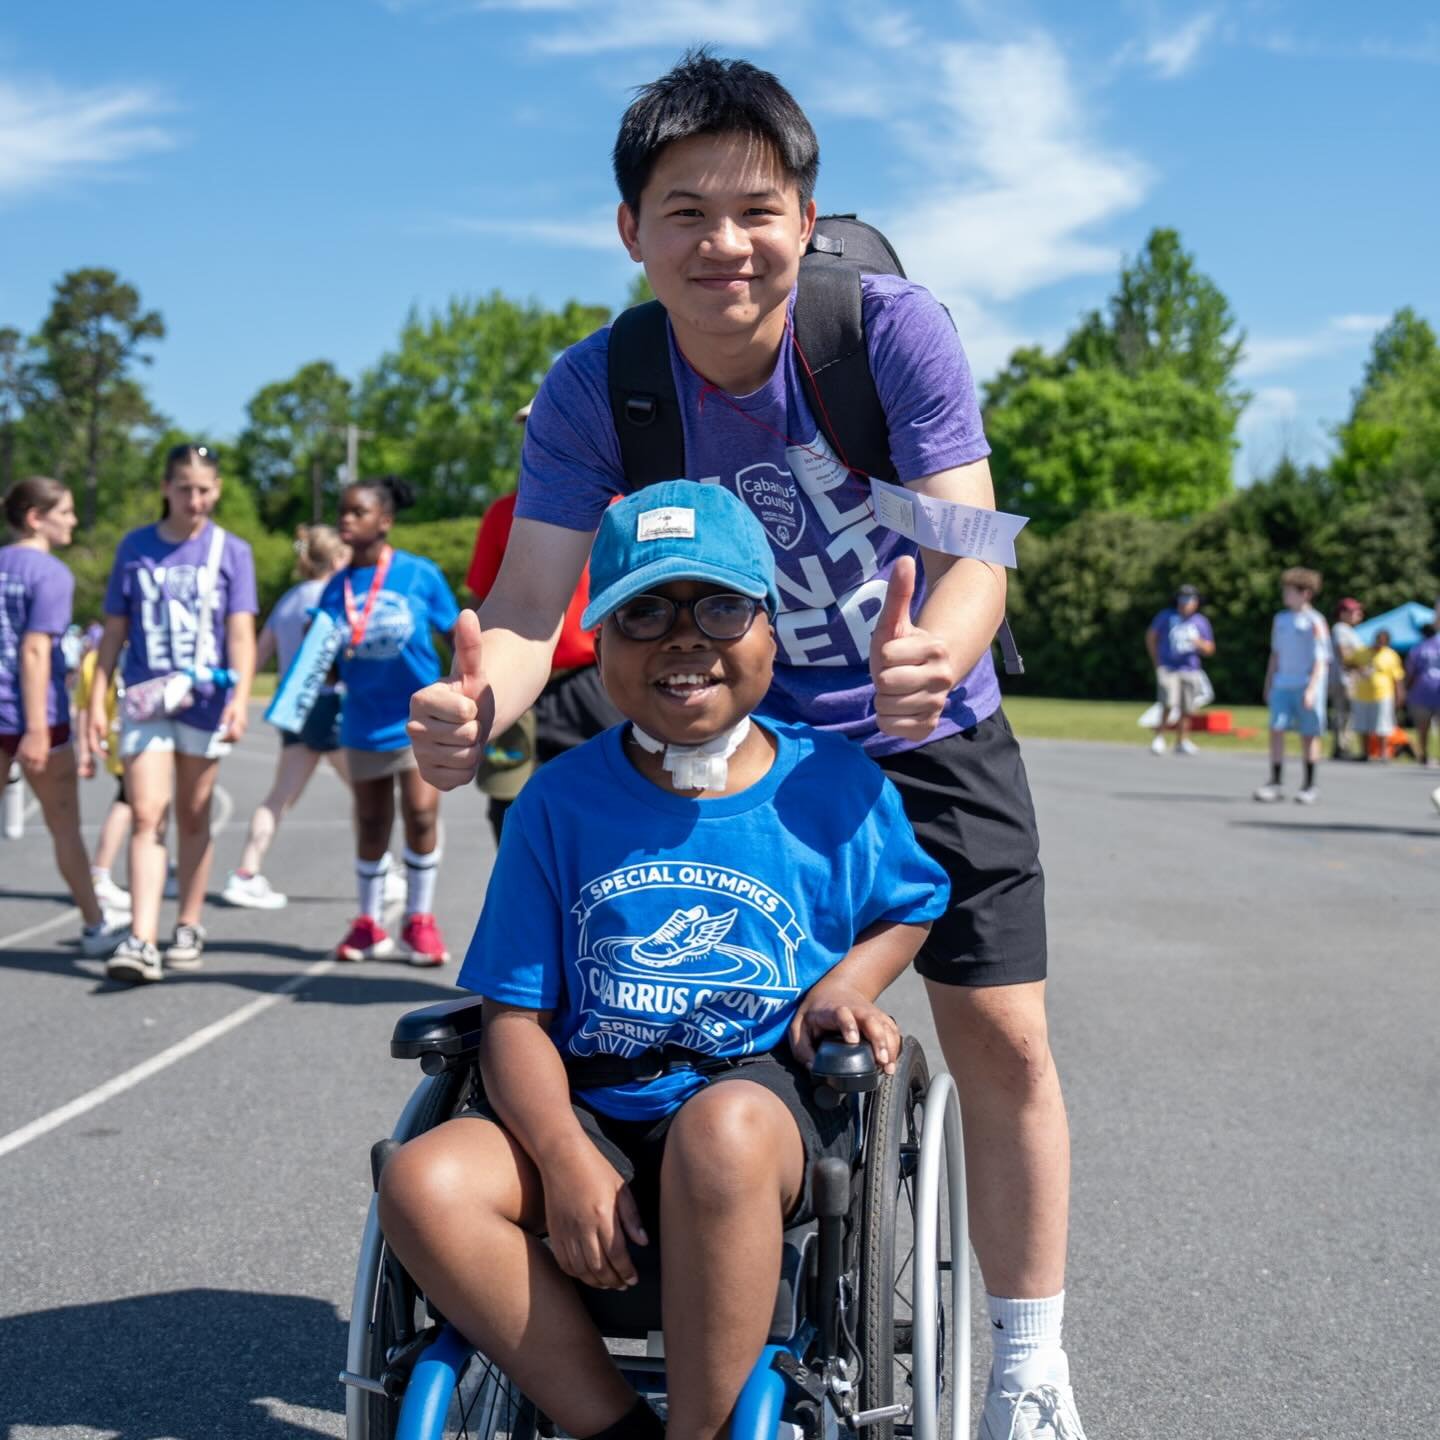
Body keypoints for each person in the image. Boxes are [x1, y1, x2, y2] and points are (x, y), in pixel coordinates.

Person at [408, 52, 1084, 1438]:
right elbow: (533, 605)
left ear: (806, 212)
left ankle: (1027, 1361)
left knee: (1003, 1031)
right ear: (632, 231)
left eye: (757, 208)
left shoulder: (888, 333)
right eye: (687, 212)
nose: (727, 243)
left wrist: (934, 656)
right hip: (723, 705)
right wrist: (486, 706)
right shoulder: (601, 383)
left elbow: (973, 555)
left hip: (912, 703)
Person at [379, 484, 947, 1440]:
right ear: (596, 644)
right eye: (642, 611)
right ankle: (613, 1428)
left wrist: (848, 984)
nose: (685, 639)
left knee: (720, 1133)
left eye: (722, 606)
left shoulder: (833, 785)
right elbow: (513, 1016)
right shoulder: (559, 804)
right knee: (422, 1182)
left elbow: (913, 903)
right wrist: (562, 1158)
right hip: (588, 1105)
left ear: (772, 631)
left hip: (755, 1112)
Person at [89, 444, 258, 983]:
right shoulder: (135, 547)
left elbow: (240, 632)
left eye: (205, 489)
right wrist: (96, 700)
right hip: (144, 697)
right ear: (165, 488)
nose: (195, 500)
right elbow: (114, 629)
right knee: (146, 813)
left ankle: (187, 922)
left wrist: (239, 697)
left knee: (193, 813)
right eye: (184, 489)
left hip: (206, 701)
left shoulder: (231, 551)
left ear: (218, 490)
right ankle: (141, 938)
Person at [320, 476, 459, 965]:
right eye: (342, 511)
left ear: (384, 520)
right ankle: (368, 923)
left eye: (357, 512)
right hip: (363, 719)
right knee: (371, 820)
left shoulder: (419, 574)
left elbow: (456, 633)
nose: (345, 520)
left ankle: (419, 921)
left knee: (421, 814)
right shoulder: (334, 589)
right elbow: (325, 659)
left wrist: (461, 688)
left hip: (416, 717)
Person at [467, 404, 621, 842]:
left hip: (594, 678)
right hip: (516, 678)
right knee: (509, 799)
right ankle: (525, 902)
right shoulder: (503, 514)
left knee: (612, 795)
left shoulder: (619, 507)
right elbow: (484, 599)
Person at [0, 477, 126, 955]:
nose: (73, 520)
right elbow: (34, 650)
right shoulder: (50, 573)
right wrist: (35, 729)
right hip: (36, 719)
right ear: (36, 517)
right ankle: (96, 928)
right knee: (65, 828)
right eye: (66, 511)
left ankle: (96, 923)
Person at [222, 524, 352, 909]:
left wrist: (238, 696)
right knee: (367, 793)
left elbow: (258, 654)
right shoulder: (336, 597)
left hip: (295, 705)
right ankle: (380, 869)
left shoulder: (289, 599)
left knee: (279, 796)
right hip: (330, 704)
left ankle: (246, 871)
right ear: (336, 559)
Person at [1254, 567, 1329, 805]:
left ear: (1305, 593)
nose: (1286, 595)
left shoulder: (1315, 621)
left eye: (1290, 591)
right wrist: (1269, 682)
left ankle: (1309, 785)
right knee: (1276, 730)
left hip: (1305, 684)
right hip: (1282, 683)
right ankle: (1275, 782)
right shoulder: (1281, 619)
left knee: (1309, 735)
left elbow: (1321, 659)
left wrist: (1312, 688)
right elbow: (1275, 654)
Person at [1144, 583, 1216, 754]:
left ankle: (1182, 741)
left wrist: (1199, 643)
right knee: (1168, 702)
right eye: (1183, 599)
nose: (1186, 603)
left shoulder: (1200, 621)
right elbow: (1151, 637)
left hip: (1190, 669)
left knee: (1188, 707)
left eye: (1190, 599)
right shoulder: (1166, 617)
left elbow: (1210, 649)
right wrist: (1157, 661)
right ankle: (1159, 737)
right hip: (1168, 667)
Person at [1349, 628, 1406, 762]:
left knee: (1383, 726)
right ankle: (1365, 753)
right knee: (1362, 725)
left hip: (1383, 694)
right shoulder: (1361, 652)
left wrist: (1400, 695)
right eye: (1378, 640)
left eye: (1383, 641)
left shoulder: (1391, 655)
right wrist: (1358, 669)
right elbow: (1348, 664)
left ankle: (1383, 753)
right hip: (1361, 694)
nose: (1380, 643)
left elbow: (1397, 678)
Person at [1328, 598, 1364, 759]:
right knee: (1343, 713)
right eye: (1354, 611)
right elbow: (1343, 654)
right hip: (1344, 679)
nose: (1359, 614)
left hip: (1348, 679)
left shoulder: (1350, 631)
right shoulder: (1340, 628)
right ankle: (1341, 747)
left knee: (1347, 714)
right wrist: (1361, 668)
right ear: (1343, 614)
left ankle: (1343, 745)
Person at [1404, 622, 1440, 768]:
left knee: (1423, 727)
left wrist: (1407, 689)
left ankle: (1423, 755)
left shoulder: (1417, 649)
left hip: (1421, 690)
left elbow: (1411, 673)